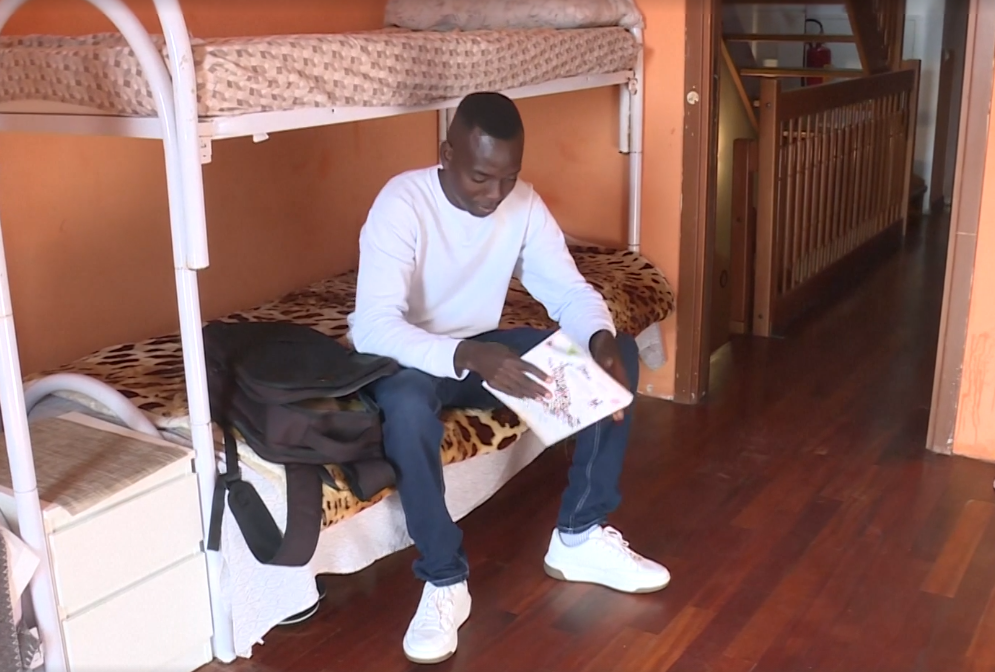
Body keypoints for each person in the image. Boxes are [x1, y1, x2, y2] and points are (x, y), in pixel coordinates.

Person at [347, 91, 670, 665]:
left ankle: (580, 535)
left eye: (508, 177)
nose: (495, 193)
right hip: (405, 360)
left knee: (615, 350)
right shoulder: (402, 203)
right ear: (447, 154)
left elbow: (567, 291)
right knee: (409, 410)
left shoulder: (522, 204)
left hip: (480, 349)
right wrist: (471, 355)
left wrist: (597, 338)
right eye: (480, 177)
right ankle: (444, 579)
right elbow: (373, 327)